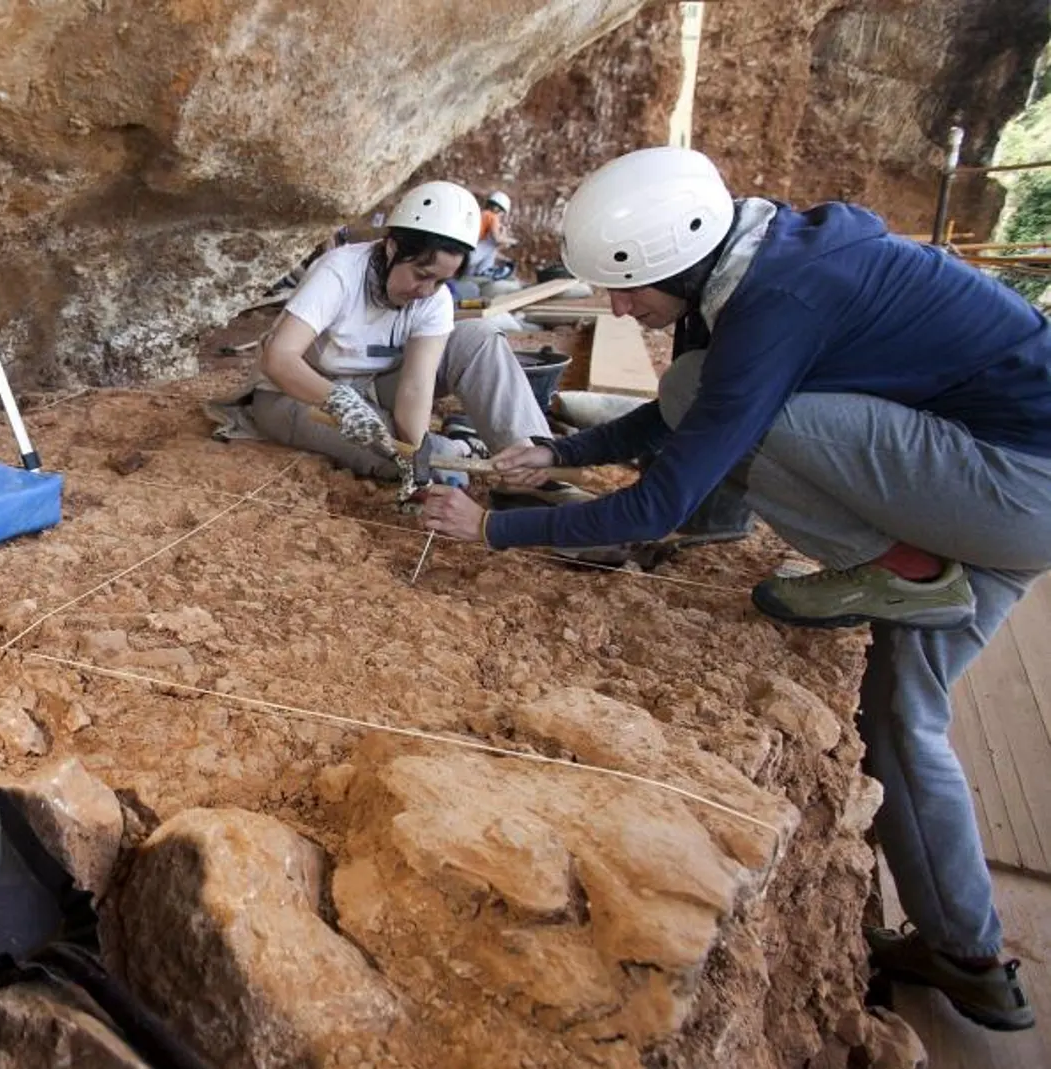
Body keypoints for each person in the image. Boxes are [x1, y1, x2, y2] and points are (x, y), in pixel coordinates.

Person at [423, 145, 1049, 1031]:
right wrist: (560, 451)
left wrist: (494, 529)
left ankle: (907, 564)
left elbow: (666, 495)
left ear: (683, 259)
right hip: (982, 482)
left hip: (1012, 484)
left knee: (762, 410)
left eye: (630, 289)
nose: (616, 308)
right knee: (901, 719)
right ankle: (970, 953)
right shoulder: (752, 261)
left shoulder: (780, 302)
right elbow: (688, 415)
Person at [212, 180, 588, 510]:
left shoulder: (432, 299)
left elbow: (416, 386)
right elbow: (280, 357)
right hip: (296, 396)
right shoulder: (340, 271)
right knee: (431, 458)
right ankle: (455, 449)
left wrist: (417, 447)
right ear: (392, 248)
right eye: (421, 275)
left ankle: (531, 472)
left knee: (479, 338)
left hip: (375, 387)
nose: (425, 291)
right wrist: (340, 403)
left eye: (440, 282)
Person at [464, 190, 515, 281]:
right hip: (470, 256)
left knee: (488, 244)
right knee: (492, 243)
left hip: (465, 254)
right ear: (501, 210)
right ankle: (484, 270)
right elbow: (497, 239)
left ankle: (474, 273)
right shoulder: (492, 217)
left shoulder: (482, 213)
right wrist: (512, 241)